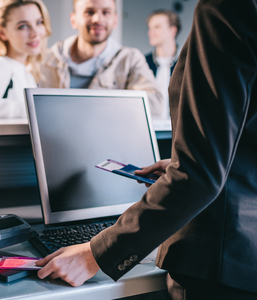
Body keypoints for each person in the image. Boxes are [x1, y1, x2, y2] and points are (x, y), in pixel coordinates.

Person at [35, 0, 257, 299]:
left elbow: (198, 177)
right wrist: (198, 159)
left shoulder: (227, 8)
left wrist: (95, 254)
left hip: (220, 260)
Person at [39, 0, 164, 119]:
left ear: (115, 20)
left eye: (106, 12)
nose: (97, 19)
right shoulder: (45, 59)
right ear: (74, 20)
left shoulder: (130, 59)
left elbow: (155, 104)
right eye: (89, 12)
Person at [145, 10, 181, 120]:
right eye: (150, 28)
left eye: (157, 27)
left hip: (178, 133)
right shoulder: (142, 63)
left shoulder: (187, 64)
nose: (151, 32)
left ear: (172, 30)